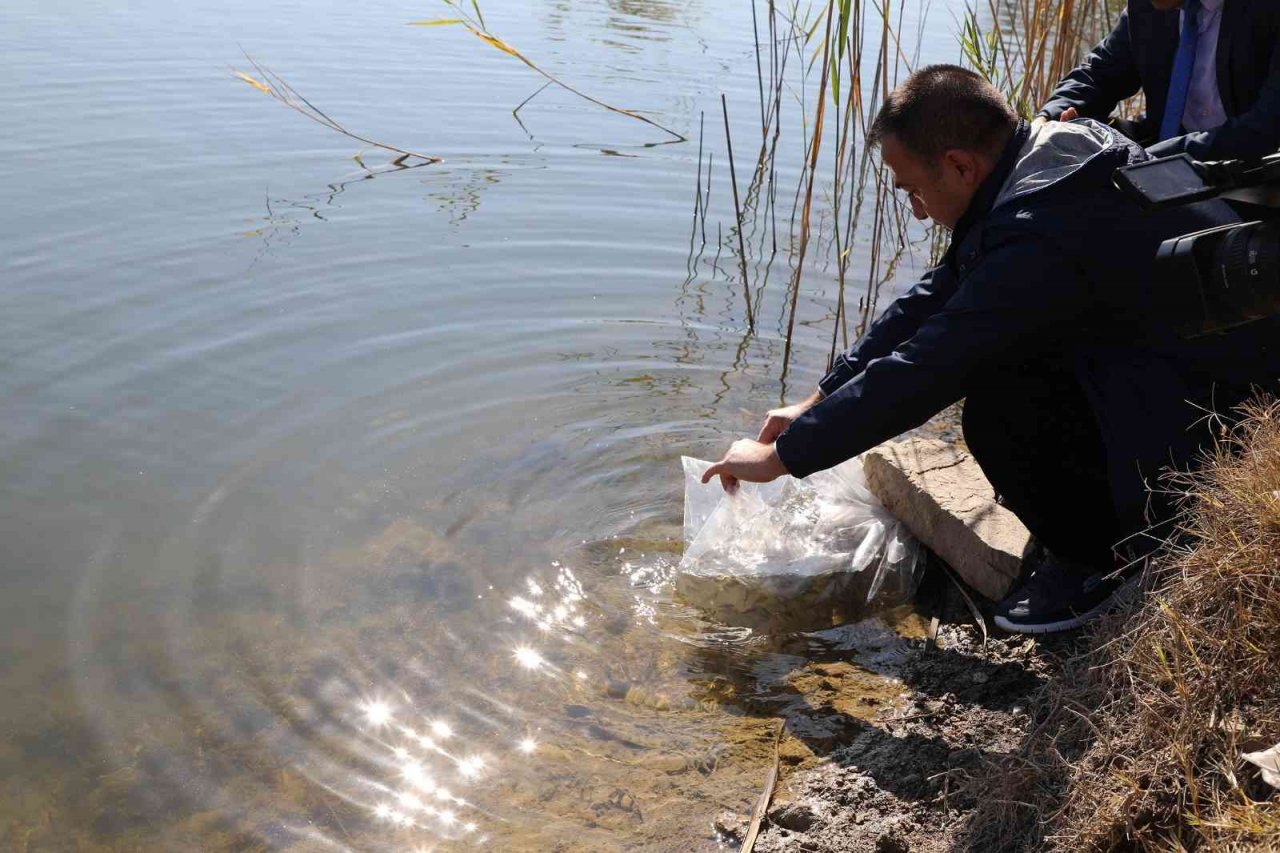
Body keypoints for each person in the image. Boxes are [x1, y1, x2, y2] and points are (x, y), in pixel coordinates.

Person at [701, 65, 1279, 634]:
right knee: (1017, 365)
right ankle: (1103, 521)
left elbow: (928, 367)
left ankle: (1109, 560)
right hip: (1199, 369)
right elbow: (937, 294)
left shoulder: (1040, 236)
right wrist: (817, 398)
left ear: (958, 165)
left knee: (1000, 409)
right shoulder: (1059, 157)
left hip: (1221, 416)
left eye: (913, 190)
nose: (917, 209)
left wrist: (783, 458)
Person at [1037, 0, 1280, 161]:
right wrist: (1048, 120)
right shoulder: (1147, 7)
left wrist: (1147, 160)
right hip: (1167, 169)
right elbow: (1099, 73)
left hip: (1257, 178)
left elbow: (1266, 127)